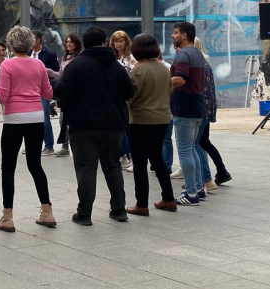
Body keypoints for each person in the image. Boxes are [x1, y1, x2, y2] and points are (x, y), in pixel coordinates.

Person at [51, 27, 134, 225]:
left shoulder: (77, 65)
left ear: (85, 44)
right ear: (104, 42)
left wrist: (50, 83)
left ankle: (84, 213)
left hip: (83, 126)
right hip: (113, 126)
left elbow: (62, 91)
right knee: (113, 166)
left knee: (86, 168)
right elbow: (130, 92)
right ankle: (119, 210)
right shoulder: (116, 66)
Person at [0, 26, 56, 232]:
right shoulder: (39, 64)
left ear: (11, 44)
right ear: (30, 43)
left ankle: (8, 216)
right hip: (36, 118)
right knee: (35, 164)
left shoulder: (7, 65)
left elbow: (2, 96)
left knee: (8, 167)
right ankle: (47, 211)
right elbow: (48, 93)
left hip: (14, 118)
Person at [124, 33, 177, 216]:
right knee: (157, 158)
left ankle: (141, 204)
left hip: (141, 120)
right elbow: (170, 90)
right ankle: (169, 198)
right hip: (161, 118)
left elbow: (131, 95)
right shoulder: (163, 68)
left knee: (139, 163)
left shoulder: (138, 70)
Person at [170, 22, 208, 206]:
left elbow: (181, 79)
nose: (173, 36)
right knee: (192, 148)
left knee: (185, 150)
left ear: (184, 35)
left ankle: (191, 193)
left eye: (176, 33)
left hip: (184, 106)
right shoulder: (198, 54)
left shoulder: (183, 55)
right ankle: (199, 189)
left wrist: (163, 83)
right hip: (197, 105)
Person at [193, 38, 230, 191]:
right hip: (206, 109)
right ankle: (220, 171)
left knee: (198, 143)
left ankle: (205, 178)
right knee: (204, 142)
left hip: (201, 110)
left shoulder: (199, 66)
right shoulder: (205, 64)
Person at [110, 31, 136, 173]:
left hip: (127, 97)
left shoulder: (130, 58)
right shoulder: (112, 58)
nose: (118, 44)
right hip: (115, 96)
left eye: (121, 41)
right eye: (116, 41)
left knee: (128, 128)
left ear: (126, 42)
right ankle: (121, 154)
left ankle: (132, 157)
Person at [30, 31, 59, 155]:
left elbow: (56, 72)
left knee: (44, 118)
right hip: (29, 89)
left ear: (38, 40)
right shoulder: (27, 53)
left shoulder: (49, 53)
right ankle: (33, 144)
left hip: (42, 88)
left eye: (33, 38)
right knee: (31, 118)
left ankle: (49, 145)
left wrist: (48, 72)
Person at [53, 33, 82, 157]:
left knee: (75, 121)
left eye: (71, 42)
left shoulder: (78, 58)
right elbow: (60, 74)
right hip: (65, 93)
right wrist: (50, 72)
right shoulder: (64, 58)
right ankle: (65, 145)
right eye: (67, 42)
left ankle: (78, 146)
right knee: (63, 120)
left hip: (75, 93)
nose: (68, 44)